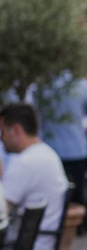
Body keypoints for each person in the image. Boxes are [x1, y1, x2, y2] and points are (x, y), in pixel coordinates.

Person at [0, 103, 70, 250]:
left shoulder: (24, 163)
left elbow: (0, 208)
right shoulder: (47, 154)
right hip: (42, 246)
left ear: (16, 130)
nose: (0, 138)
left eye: (2, 132)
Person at [30, 72, 87, 215]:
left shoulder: (40, 88)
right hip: (77, 148)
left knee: (54, 193)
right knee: (78, 192)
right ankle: (79, 224)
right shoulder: (80, 86)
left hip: (50, 148)